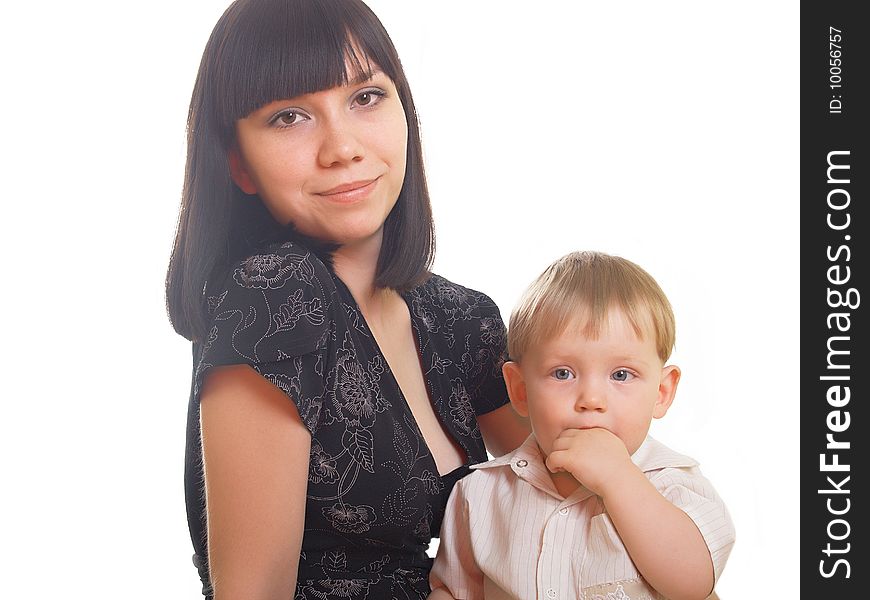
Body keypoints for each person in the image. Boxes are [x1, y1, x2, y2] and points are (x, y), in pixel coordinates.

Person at [164, 1, 530, 598]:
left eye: (365, 98)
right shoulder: (274, 300)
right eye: (289, 117)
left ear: (405, 110)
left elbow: (575, 499)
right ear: (237, 162)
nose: (342, 148)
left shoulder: (461, 319)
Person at [429, 251, 735, 600]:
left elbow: (692, 585)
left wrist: (619, 478)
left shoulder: (675, 487)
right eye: (563, 373)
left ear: (662, 392)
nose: (591, 398)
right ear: (520, 389)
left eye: (621, 375)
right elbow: (453, 589)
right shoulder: (480, 493)